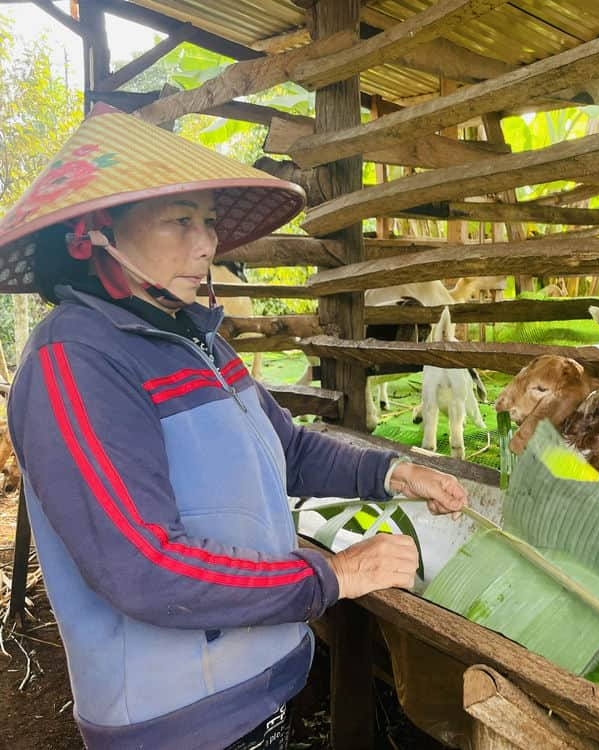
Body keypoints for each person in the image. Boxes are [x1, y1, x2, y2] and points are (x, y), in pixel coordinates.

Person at [0, 104, 468, 750]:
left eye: (211, 222)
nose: (208, 244)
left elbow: (289, 448)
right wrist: (334, 575)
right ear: (94, 232)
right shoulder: (74, 361)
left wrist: (392, 472)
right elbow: (144, 566)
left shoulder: (196, 341)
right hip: (176, 727)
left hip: (255, 698)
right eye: (181, 221)